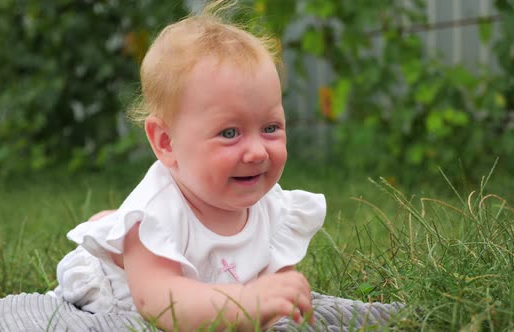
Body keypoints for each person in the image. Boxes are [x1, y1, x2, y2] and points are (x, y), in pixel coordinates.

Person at [49, 1, 326, 330]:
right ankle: (112, 234)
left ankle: (109, 221)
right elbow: (161, 304)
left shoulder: (273, 208)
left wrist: (280, 295)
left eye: (270, 128)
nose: (257, 152)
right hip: (123, 296)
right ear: (166, 142)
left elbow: (273, 290)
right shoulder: (156, 219)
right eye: (229, 133)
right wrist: (247, 303)